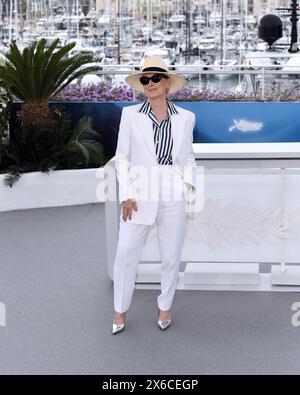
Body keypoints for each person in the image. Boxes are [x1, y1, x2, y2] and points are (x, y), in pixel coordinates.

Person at [112, 56, 197, 334]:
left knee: (170, 255)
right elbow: (122, 158)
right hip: (139, 190)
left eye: (155, 78)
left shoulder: (186, 118)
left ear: (167, 82)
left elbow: (189, 157)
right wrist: (127, 193)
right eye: (145, 80)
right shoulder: (130, 115)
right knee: (126, 251)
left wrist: (187, 186)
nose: (150, 83)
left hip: (173, 188)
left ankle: (165, 307)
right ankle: (120, 310)